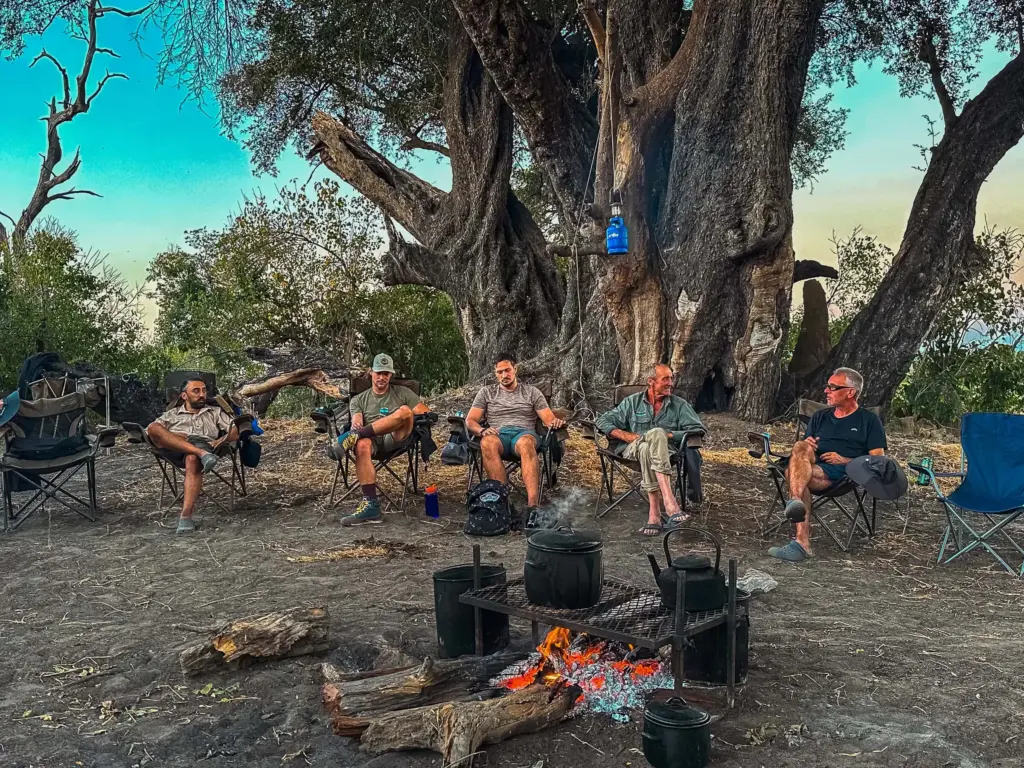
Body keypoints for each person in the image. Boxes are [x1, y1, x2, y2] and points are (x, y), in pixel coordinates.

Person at [768, 367, 887, 562]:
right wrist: (808, 446)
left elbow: (879, 461)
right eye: (827, 386)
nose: (826, 391)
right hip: (814, 464)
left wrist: (845, 460)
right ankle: (796, 502)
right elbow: (805, 455)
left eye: (832, 387)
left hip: (843, 473)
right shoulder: (820, 417)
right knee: (800, 446)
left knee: (794, 473)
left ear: (850, 392)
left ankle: (801, 543)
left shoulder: (869, 421)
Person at [595, 364, 705, 536]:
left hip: (665, 453)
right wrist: (625, 435)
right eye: (665, 379)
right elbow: (602, 421)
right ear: (651, 382)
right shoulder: (632, 402)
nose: (671, 383)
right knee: (649, 440)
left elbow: (697, 430)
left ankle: (654, 514)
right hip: (632, 450)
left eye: (671, 378)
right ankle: (670, 504)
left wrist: (668, 435)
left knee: (650, 444)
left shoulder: (679, 405)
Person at [466, 353, 565, 527]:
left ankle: (533, 507)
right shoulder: (487, 392)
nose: (504, 375)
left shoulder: (532, 392)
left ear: (515, 369)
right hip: (499, 434)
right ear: (495, 373)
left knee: (526, 444)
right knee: (487, 442)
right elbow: (470, 421)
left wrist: (555, 421)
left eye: (507, 370)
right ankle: (502, 503)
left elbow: (548, 419)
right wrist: (482, 430)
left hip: (524, 433)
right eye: (499, 372)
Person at [337, 353, 431, 526]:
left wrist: (414, 417)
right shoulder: (359, 399)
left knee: (404, 411)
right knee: (362, 444)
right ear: (371, 373)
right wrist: (357, 430)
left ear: (391, 375)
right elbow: (356, 421)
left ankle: (354, 437)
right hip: (372, 440)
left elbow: (426, 412)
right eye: (379, 373)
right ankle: (371, 507)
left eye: (386, 374)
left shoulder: (403, 393)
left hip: (396, 438)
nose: (382, 377)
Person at [146, 378, 238, 534]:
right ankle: (202, 454)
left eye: (204, 390)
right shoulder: (172, 414)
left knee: (192, 459)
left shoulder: (214, 412)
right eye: (196, 391)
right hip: (174, 449)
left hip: (203, 445)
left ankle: (186, 517)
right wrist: (174, 436)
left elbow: (235, 430)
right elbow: (152, 432)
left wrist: (220, 440)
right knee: (153, 426)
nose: (202, 394)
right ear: (184, 396)